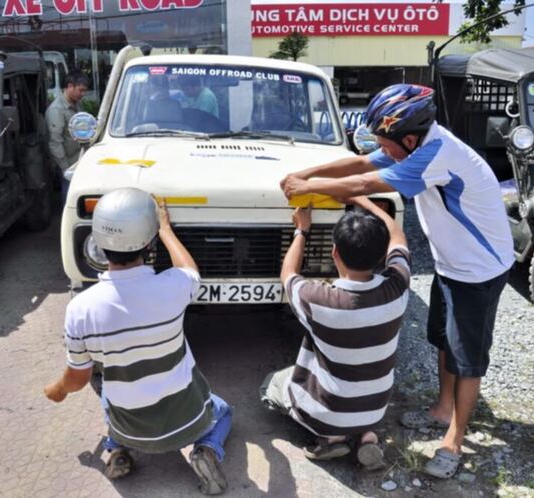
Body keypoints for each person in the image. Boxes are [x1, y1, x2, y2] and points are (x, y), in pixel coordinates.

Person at [280, 83, 514, 479]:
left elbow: (365, 184)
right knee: (442, 339)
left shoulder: (437, 156)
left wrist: (310, 188)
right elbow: (359, 164)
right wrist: (304, 173)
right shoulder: (418, 143)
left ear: (408, 138)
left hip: (478, 272)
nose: (382, 151)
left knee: (468, 358)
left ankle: (454, 441)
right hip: (451, 264)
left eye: (386, 144)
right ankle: (443, 410)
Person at [44, 188, 231, 495]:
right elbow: (189, 270)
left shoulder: (80, 308)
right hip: (187, 422)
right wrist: (167, 230)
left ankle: (116, 450)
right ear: (149, 242)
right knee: (224, 410)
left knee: (106, 389)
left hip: (131, 429)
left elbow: (77, 379)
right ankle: (206, 450)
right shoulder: (173, 286)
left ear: (100, 243)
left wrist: (58, 390)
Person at [260, 197, 409, 469]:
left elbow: (288, 273)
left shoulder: (319, 299)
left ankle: (331, 438)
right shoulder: (397, 288)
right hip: (376, 407)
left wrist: (301, 230)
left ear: (335, 253)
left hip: (328, 412)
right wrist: (369, 204)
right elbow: (398, 236)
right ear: (380, 256)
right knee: (358, 390)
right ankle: (367, 437)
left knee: (271, 384)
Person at [45, 70, 89, 201]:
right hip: (69, 165)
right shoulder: (56, 110)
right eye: (81, 90)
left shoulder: (77, 104)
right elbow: (54, 142)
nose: (83, 94)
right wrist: (66, 169)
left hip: (79, 160)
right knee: (71, 200)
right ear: (70, 86)